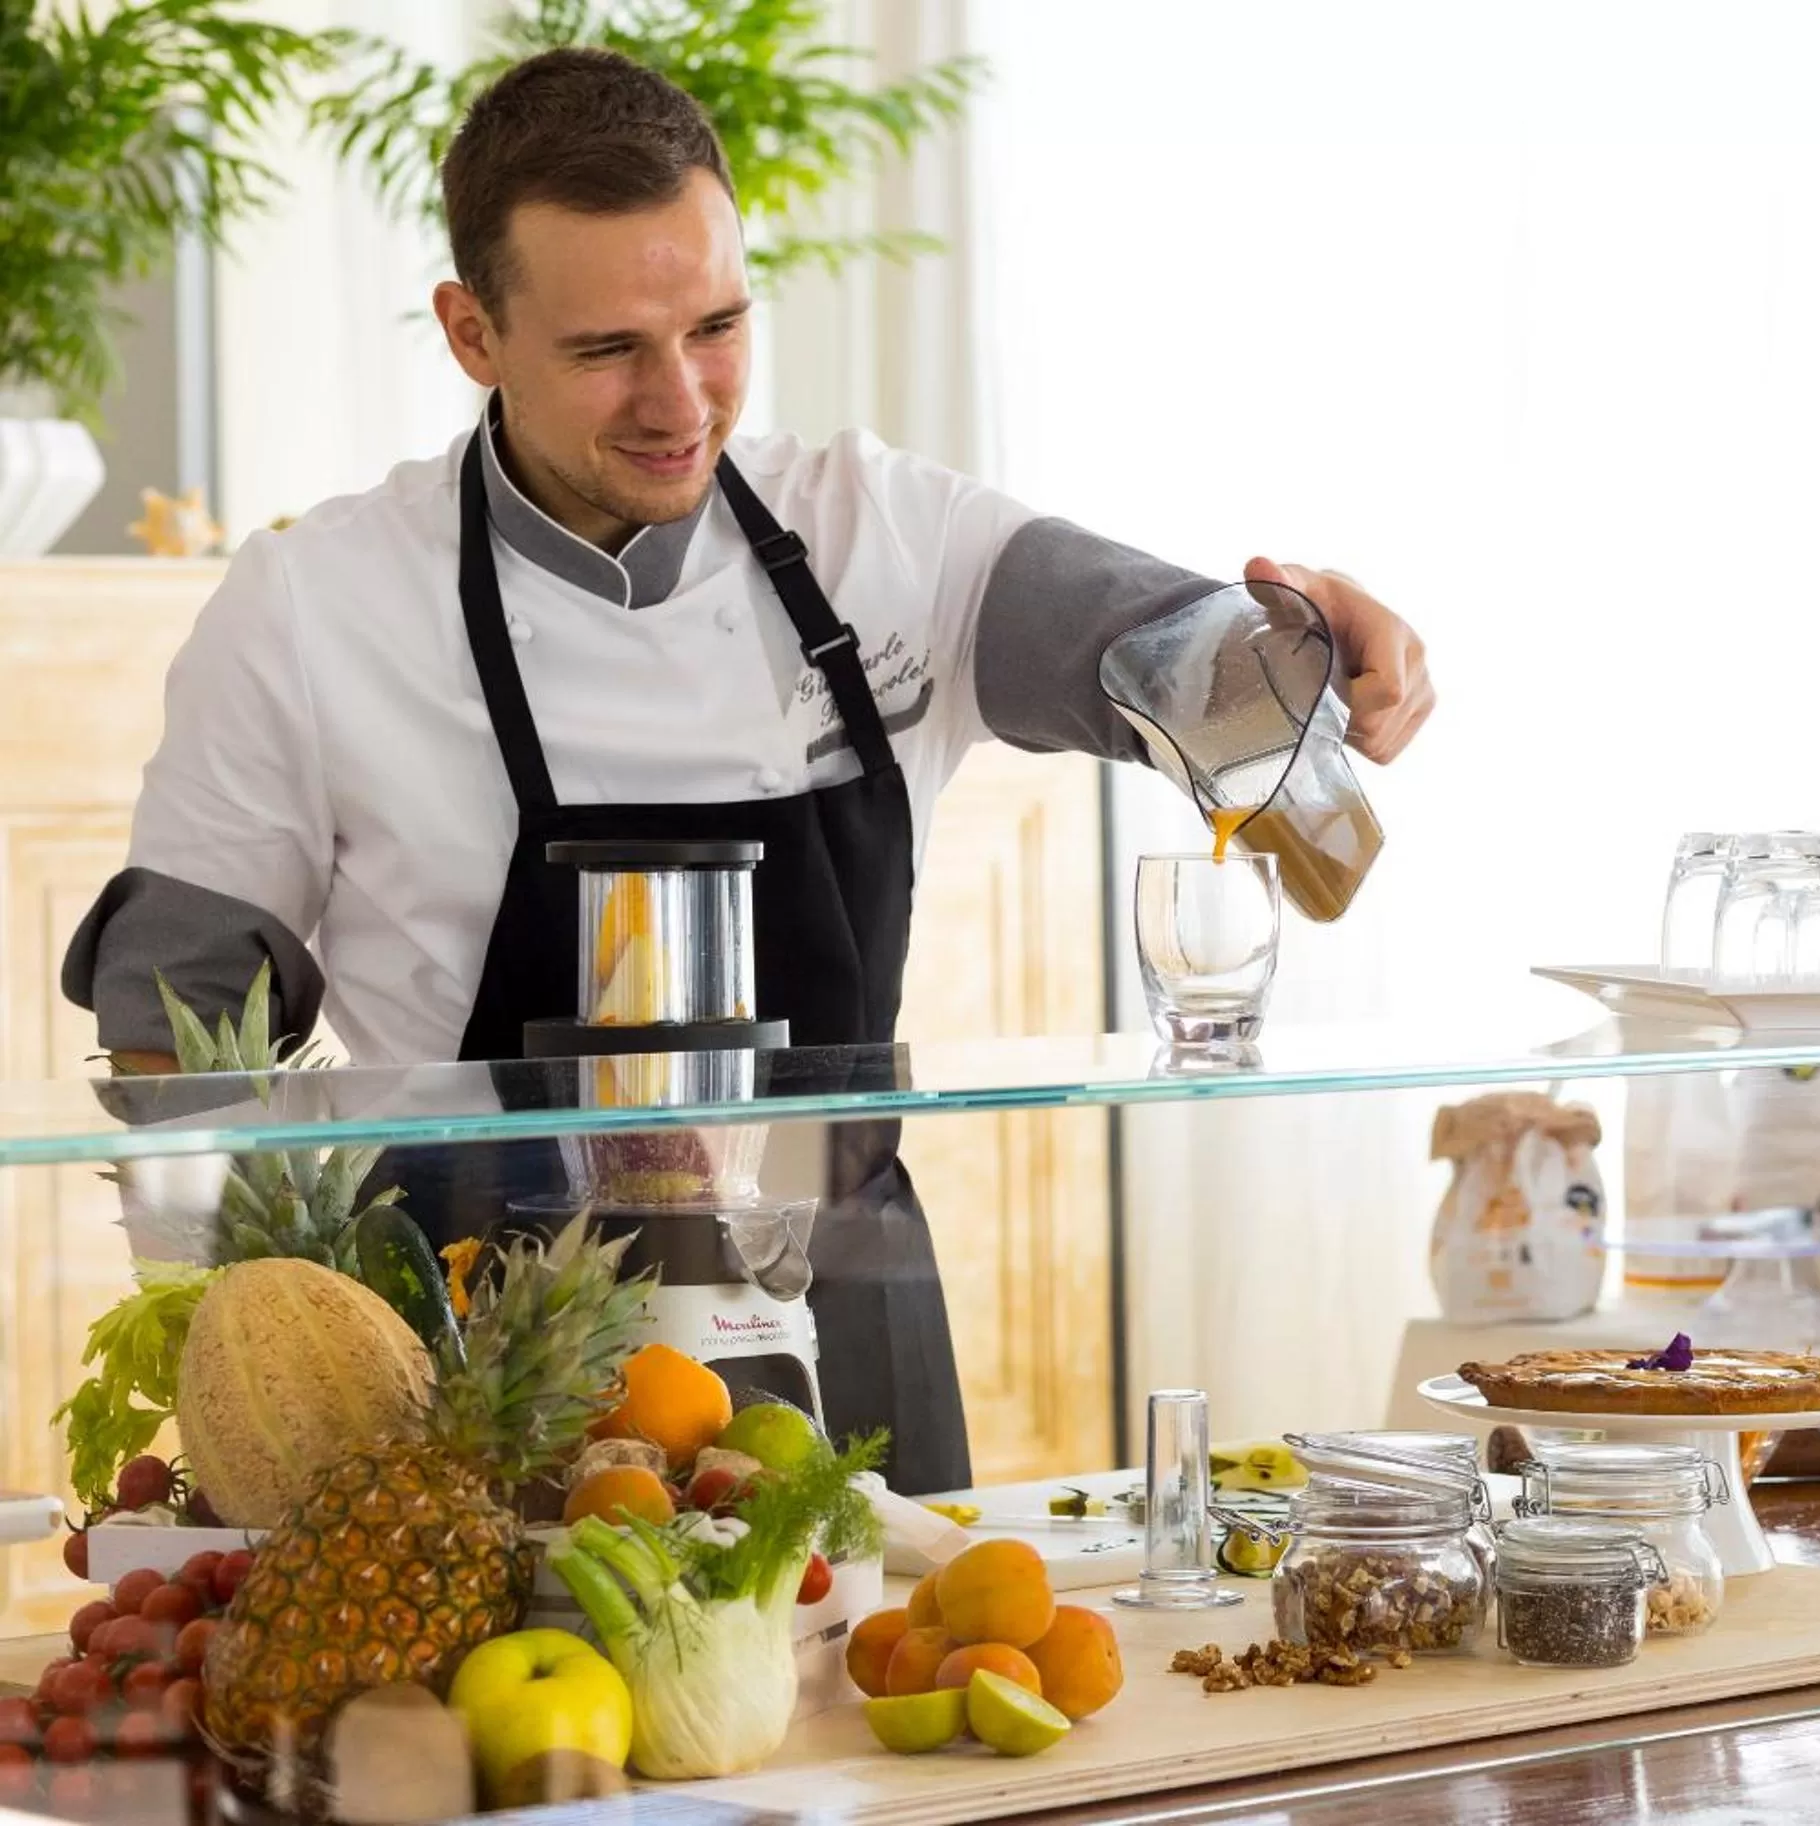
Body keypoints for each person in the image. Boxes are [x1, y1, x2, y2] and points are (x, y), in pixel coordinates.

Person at [59, 47, 1433, 1491]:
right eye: (606, 352)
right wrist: (264, 1387)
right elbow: (180, 1017)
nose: (679, 402)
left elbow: (1165, 655)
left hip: (848, 1337)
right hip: (466, 1374)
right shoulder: (311, 605)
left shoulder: (885, 537)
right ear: (472, 333)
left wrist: (1310, 661)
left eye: (716, 326)